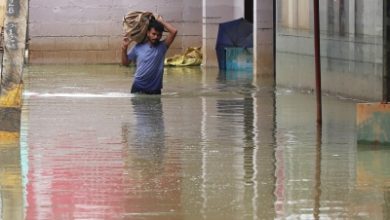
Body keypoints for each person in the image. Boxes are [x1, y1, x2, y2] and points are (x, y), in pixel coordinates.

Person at [121, 16, 177, 94]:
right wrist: (124, 48)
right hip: (138, 87)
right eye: (153, 34)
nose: (156, 37)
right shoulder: (138, 47)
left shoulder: (162, 47)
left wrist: (160, 21)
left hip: (155, 90)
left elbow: (174, 31)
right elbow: (125, 63)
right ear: (148, 33)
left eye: (159, 35)